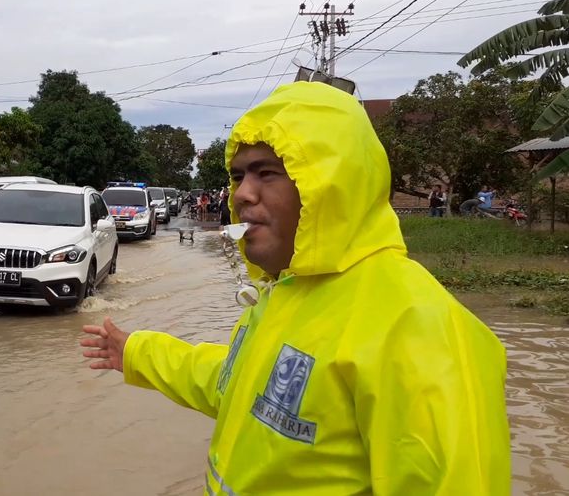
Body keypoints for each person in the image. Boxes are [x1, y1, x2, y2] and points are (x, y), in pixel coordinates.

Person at [80, 82, 510, 494]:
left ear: (330, 183)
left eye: (267, 172)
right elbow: (238, 385)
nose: (243, 194)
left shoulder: (416, 325)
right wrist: (138, 352)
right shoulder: (284, 291)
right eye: (237, 175)